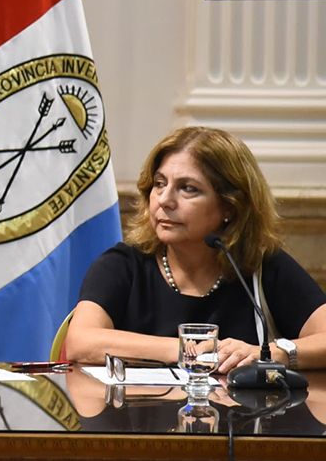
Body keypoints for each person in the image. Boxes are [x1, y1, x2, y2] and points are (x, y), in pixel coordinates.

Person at [67, 126, 326, 373]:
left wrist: (276, 353)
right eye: (159, 183)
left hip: (240, 419)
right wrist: (188, 351)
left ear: (230, 206)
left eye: (188, 188)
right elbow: (81, 342)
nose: (165, 200)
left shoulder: (261, 266)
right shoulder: (123, 264)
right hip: (139, 418)